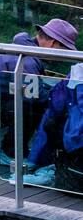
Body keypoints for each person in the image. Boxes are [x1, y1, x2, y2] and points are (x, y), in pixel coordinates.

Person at [0, 18, 77, 163]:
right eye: (64, 50)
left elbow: (33, 88)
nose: (63, 57)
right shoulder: (28, 60)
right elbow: (34, 95)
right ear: (53, 43)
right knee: (31, 107)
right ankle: (9, 153)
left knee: (30, 105)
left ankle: (28, 151)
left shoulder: (25, 50)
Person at [24, 56, 83, 189]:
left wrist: (34, 159)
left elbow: (55, 107)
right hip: (74, 136)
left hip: (73, 139)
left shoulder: (75, 74)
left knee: (50, 122)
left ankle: (52, 166)